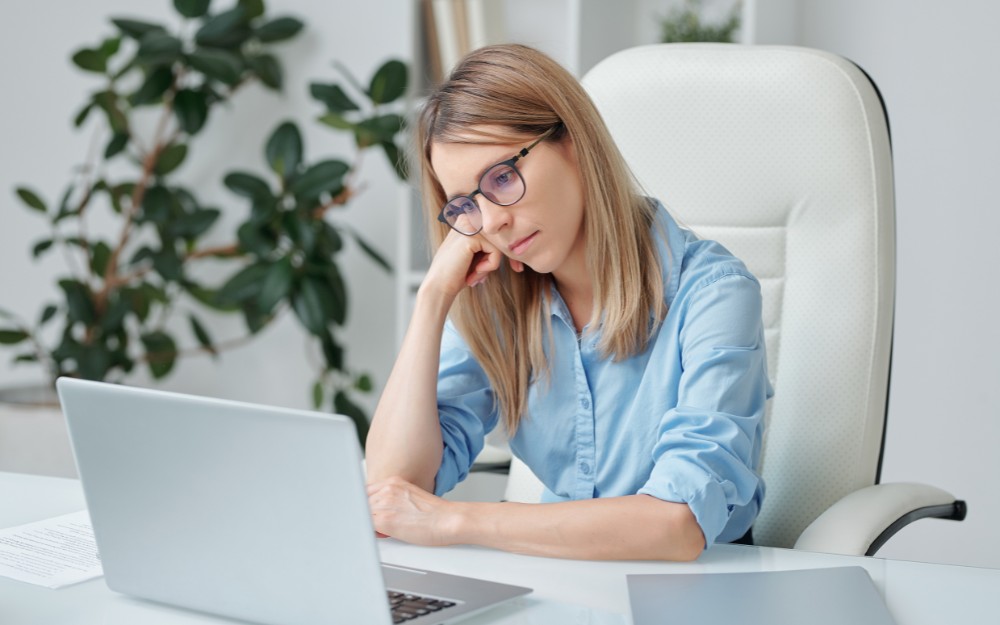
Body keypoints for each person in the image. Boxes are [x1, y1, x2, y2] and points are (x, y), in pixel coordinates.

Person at [365, 44, 771, 561]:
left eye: (502, 178)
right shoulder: (497, 300)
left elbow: (677, 524)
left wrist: (457, 520)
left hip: (702, 590)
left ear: (573, 142)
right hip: (561, 578)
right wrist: (432, 299)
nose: (491, 223)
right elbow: (393, 492)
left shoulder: (714, 294)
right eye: (466, 205)